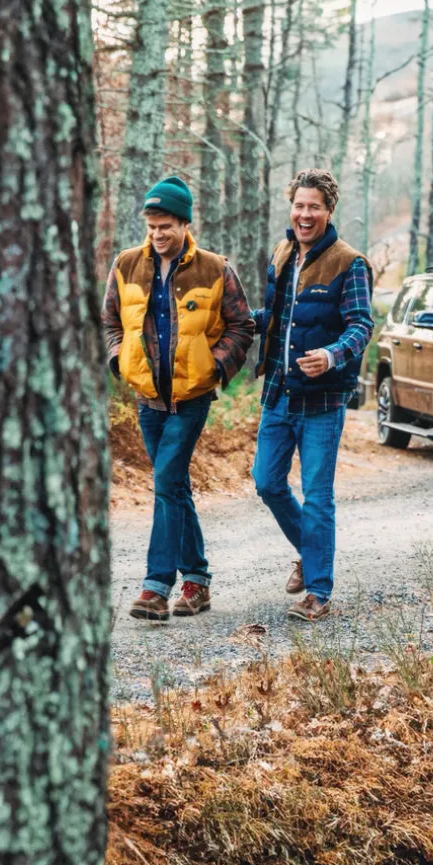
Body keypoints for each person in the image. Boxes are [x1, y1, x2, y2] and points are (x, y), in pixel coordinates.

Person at [102, 175, 255, 622]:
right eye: (151, 227)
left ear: (185, 224)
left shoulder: (215, 269)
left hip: (191, 399)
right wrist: (120, 360)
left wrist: (215, 367)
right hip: (148, 398)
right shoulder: (127, 265)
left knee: (166, 482)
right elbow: (110, 321)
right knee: (174, 486)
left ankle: (155, 588)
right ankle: (198, 580)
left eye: (165, 226)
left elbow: (242, 325)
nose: (157, 235)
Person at [252, 168, 374, 621]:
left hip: (322, 401)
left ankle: (318, 592)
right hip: (279, 392)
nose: (305, 214)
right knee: (266, 482)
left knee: (318, 494)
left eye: (314, 207)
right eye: (299, 205)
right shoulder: (283, 252)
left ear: (329, 210)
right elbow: (277, 316)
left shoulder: (349, 263)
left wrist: (331, 354)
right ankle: (310, 549)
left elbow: (361, 326)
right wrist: (239, 319)